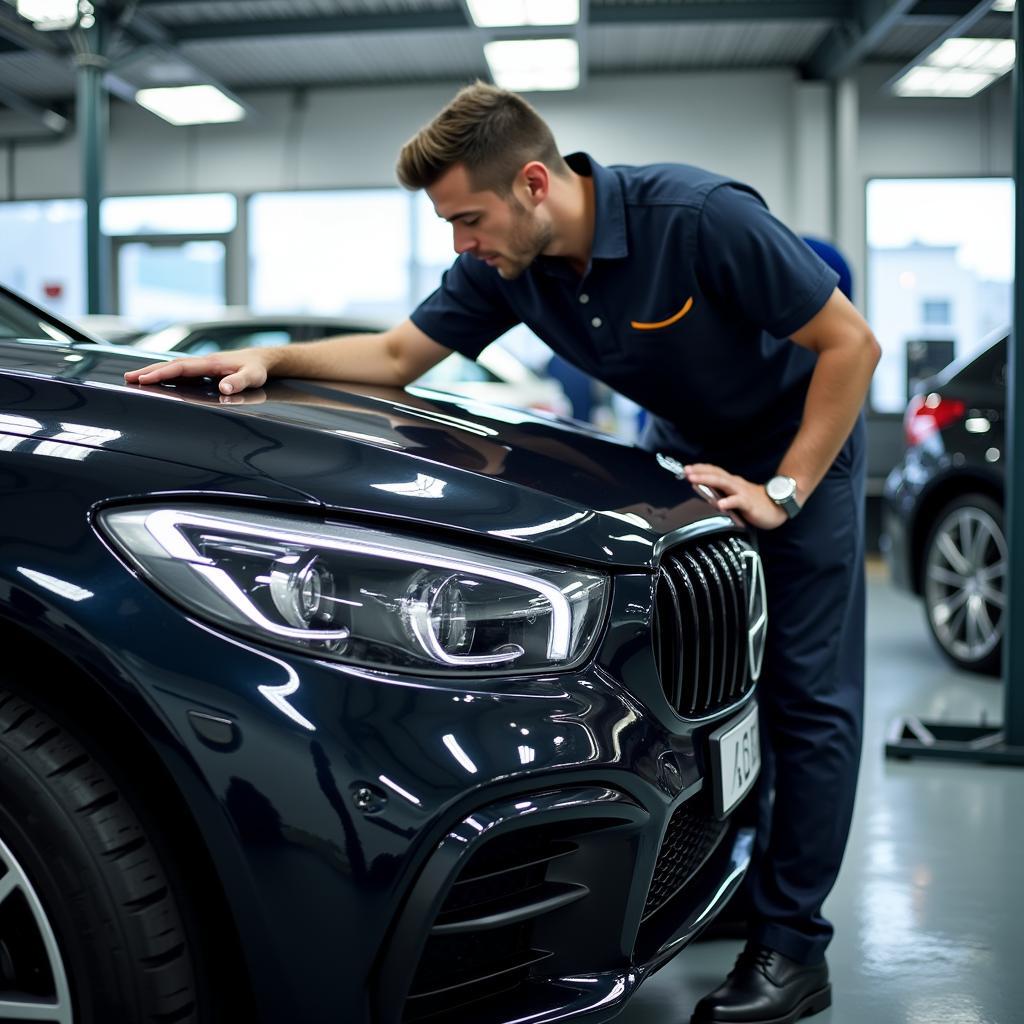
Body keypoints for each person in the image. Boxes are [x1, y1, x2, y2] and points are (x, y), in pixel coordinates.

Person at [126, 82, 880, 1024]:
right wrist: (272, 360)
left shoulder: (697, 218)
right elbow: (400, 355)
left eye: (467, 219)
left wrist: (786, 491)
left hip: (802, 452)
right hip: (693, 459)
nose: (459, 244)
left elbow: (849, 343)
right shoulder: (508, 267)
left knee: (805, 698)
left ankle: (792, 948)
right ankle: (729, 886)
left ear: (533, 183)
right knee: (707, 692)